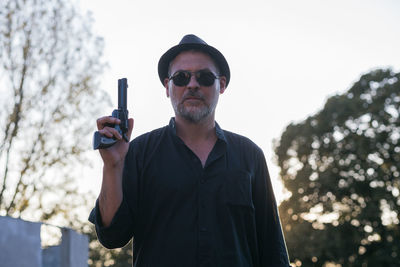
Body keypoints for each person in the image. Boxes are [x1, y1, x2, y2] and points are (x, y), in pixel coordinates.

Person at [89, 34, 290, 267]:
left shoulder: (250, 156)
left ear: (221, 85)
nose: (192, 84)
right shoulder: (138, 152)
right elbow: (112, 237)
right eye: (181, 77)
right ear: (167, 86)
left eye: (204, 77)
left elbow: (273, 252)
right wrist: (112, 165)